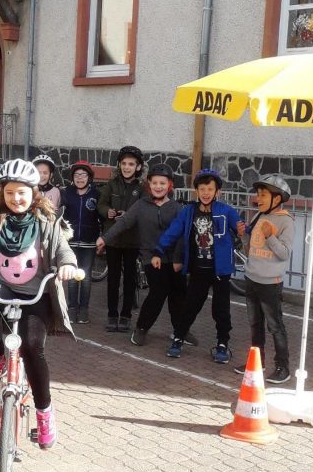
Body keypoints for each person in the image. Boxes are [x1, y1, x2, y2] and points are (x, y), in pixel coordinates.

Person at [0, 159, 79, 450]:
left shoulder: (47, 222)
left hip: (36, 294)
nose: (16, 199)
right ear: (2, 193)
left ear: (34, 193)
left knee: (32, 348)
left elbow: (63, 249)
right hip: (3, 289)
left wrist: (68, 266)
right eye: (10, 193)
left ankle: (45, 414)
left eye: (22, 193)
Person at [153, 169, 245, 360]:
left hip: (220, 271)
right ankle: (178, 338)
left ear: (217, 191)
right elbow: (174, 231)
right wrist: (158, 251)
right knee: (190, 306)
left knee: (221, 309)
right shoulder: (188, 211)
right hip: (198, 269)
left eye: (210, 189)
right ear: (196, 190)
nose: (205, 192)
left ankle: (222, 343)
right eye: (202, 188)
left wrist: (243, 228)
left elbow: (241, 226)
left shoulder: (226, 211)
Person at [98, 164, 183, 347]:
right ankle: (141, 328)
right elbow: (123, 223)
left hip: (173, 259)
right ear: (149, 185)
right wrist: (104, 238)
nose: (158, 186)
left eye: (163, 183)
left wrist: (178, 259)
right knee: (158, 293)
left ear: (169, 185)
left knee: (178, 295)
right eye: (155, 183)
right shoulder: (141, 205)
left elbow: (182, 234)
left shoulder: (176, 208)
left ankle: (180, 331)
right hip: (151, 258)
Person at [235, 174, 295, 384]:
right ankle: (257, 362)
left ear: (276, 199)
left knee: (275, 326)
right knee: (254, 323)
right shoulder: (258, 216)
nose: (257, 198)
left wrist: (270, 236)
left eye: (262, 194)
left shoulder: (286, 221)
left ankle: (283, 367)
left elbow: (285, 253)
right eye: (257, 194)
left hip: (270, 283)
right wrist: (243, 235)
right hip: (252, 279)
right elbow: (250, 249)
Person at [98, 146, 146, 332]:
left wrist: (129, 216)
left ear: (138, 166)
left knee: (130, 279)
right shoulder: (111, 185)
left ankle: (126, 315)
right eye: (124, 163)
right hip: (113, 240)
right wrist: (107, 211)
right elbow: (101, 205)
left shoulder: (142, 189)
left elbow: (144, 211)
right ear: (119, 165)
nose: (127, 167)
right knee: (113, 279)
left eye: (131, 164)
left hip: (132, 240)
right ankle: (112, 314)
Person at [61, 160, 101, 324]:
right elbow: (61, 215)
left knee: (85, 277)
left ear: (89, 177)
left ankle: (84, 309)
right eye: (77, 175)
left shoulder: (96, 195)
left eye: (83, 175)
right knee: (71, 276)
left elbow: (101, 215)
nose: (80, 178)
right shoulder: (67, 193)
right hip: (70, 241)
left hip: (89, 242)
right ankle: (72, 308)